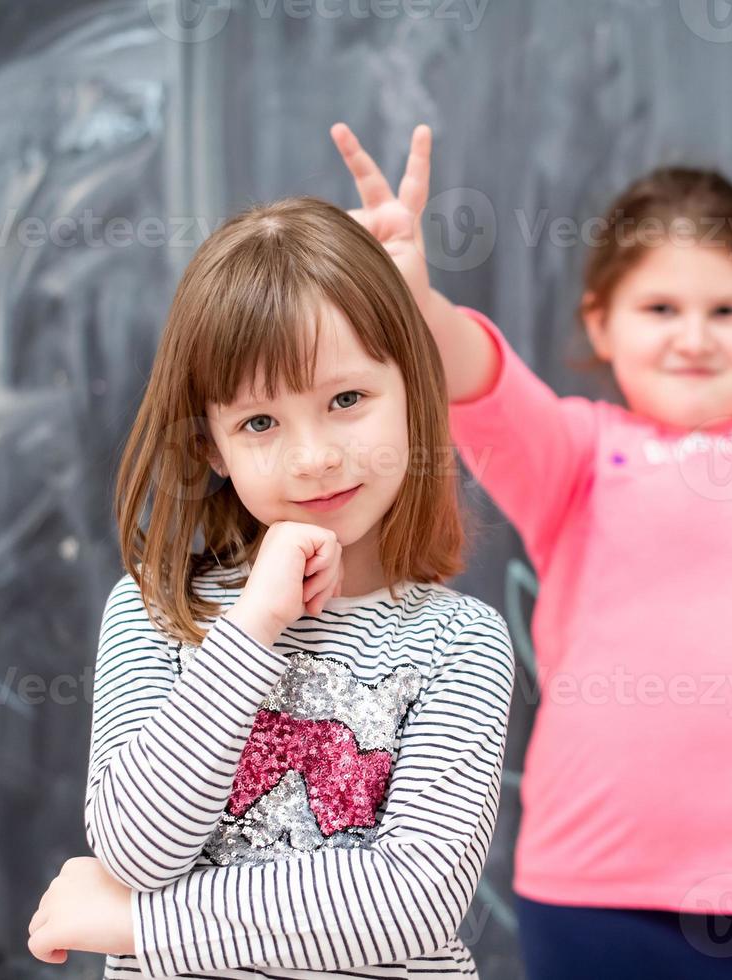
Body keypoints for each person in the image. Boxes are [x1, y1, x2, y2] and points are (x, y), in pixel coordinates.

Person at [331, 122, 732, 979]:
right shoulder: (578, 452)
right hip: (600, 891)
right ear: (600, 323)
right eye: (660, 308)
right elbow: (484, 385)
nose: (694, 337)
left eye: (727, 310)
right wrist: (418, 304)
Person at [26, 196, 515, 978]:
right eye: (260, 422)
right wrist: (251, 625)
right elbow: (135, 848)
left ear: (413, 393)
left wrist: (136, 925)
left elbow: (414, 900)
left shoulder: (462, 643)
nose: (314, 455)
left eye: (346, 400)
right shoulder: (155, 613)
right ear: (213, 445)